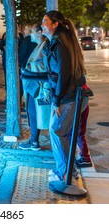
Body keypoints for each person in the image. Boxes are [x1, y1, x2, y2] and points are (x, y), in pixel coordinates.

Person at [41, 10, 88, 183]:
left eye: (45, 21)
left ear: (55, 24)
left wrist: (56, 101)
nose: (42, 24)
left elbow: (63, 73)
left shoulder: (59, 43)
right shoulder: (59, 41)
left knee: (57, 131)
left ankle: (66, 173)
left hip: (68, 97)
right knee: (57, 131)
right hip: (69, 95)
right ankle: (67, 171)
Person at [18, 23, 51, 151]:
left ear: (39, 33)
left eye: (32, 31)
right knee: (33, 113)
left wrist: (28, 70)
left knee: (35, 113)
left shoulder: (44, 47)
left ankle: (34, 142)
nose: (30, 34)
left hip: (39, 87)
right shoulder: (40, 46)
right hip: (35, 86)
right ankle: (34, 141)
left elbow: (42, 67)